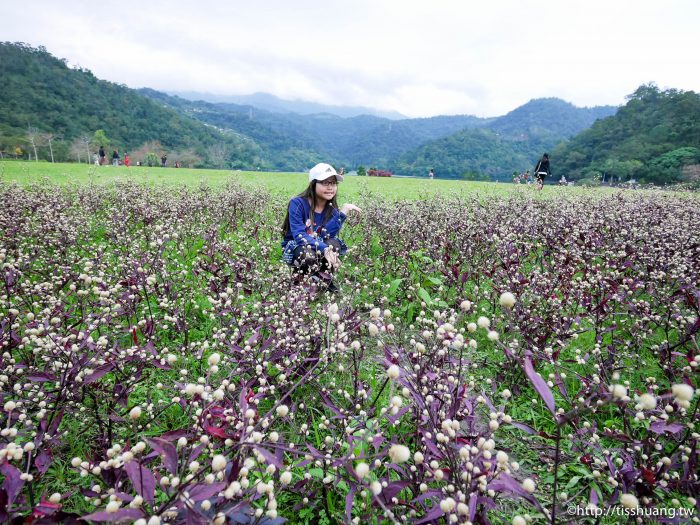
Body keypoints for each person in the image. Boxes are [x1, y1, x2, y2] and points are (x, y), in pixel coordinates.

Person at [281, 163, 361, 292]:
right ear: (313, 184)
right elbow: (299, 237)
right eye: (325, 183)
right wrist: (325, 249)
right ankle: (301, 282)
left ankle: (325, 280)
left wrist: (342, 213)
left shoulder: (331, 207)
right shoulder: (297, 203)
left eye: (334, 183)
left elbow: (327, 235)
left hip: (317, 243)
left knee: (333, 244)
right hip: (296, 246)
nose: (330, 188)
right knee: (309, 255)